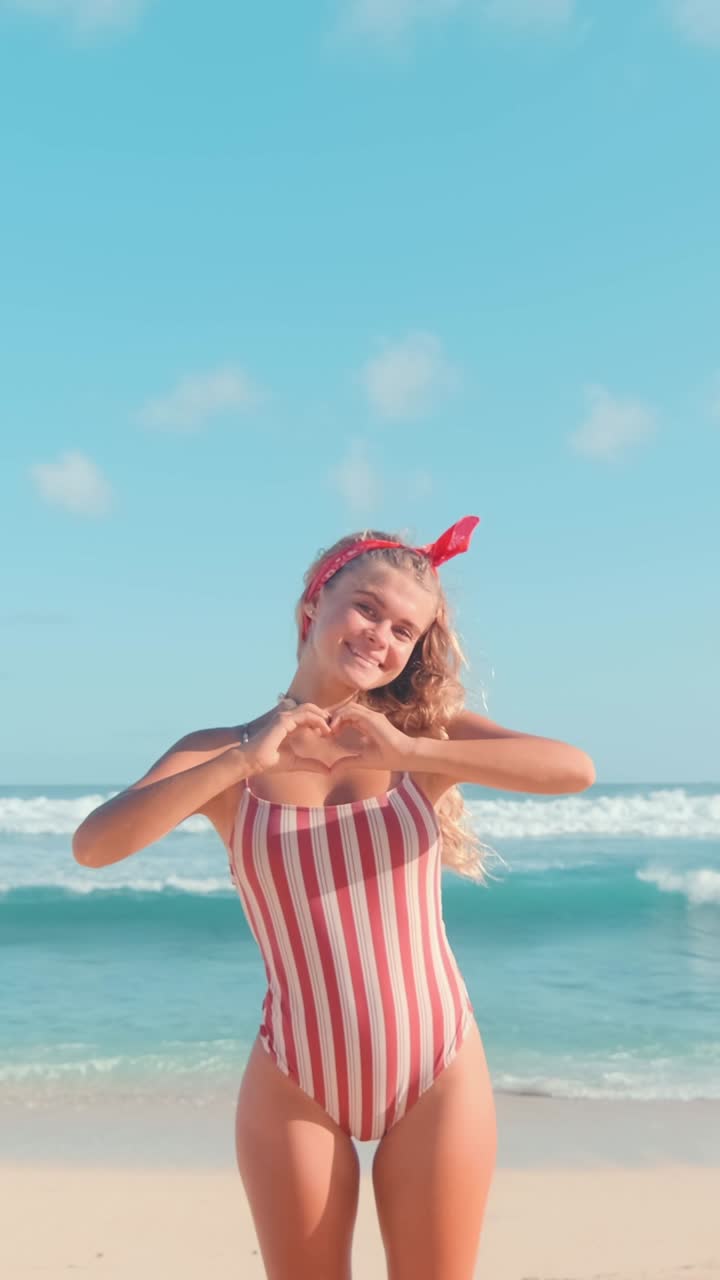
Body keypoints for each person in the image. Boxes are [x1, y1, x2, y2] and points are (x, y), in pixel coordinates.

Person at [72, 514, 595, 1280]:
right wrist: (242, 761)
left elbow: (573, 768)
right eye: (367, 608)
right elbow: (96, 846)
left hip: (437, 1064)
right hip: (295, 1074)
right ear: (311, 606)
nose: (381, 635)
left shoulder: (423, 735)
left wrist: (411, 750)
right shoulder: (219, 752)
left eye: (404, 630)